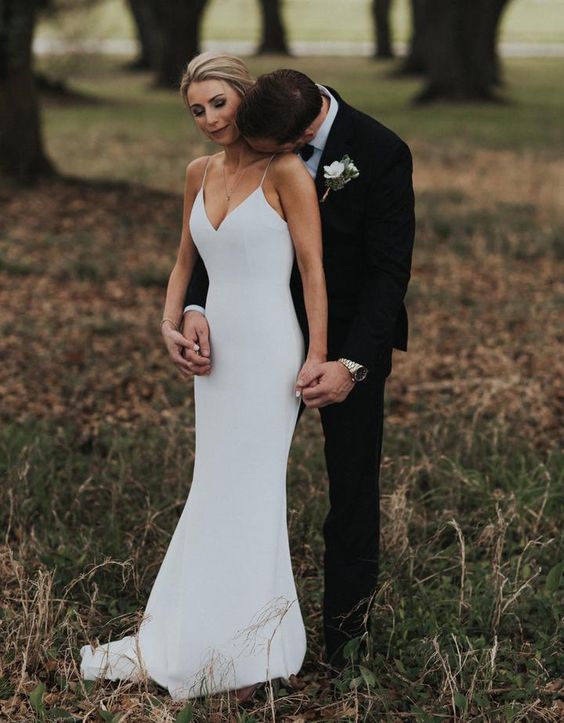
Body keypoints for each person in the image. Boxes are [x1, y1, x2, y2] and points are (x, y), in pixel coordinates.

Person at [80, 53, 328, 702]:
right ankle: (204, 635)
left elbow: (313, 273)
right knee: (214, 484)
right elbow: (185, 260)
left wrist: (318, 355)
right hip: (212, 361)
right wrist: (171, 322)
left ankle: (253, 651)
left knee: (254, 489)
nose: (210, 118)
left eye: (219, 102)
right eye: (197, 109)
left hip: (273, 350)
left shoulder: (288, 173)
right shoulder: (197, 173)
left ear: (244, 97)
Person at [176, 68, 415, 671]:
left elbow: (389, 274)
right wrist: (197, 305)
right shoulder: (265, 112)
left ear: (298, 134)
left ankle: (344, 645)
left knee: (351, 490)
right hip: (254, 341)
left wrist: (351, 364)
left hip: (347, 346)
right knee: (238, 485)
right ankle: (230, 628)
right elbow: (221, 230)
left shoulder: (380, 152)